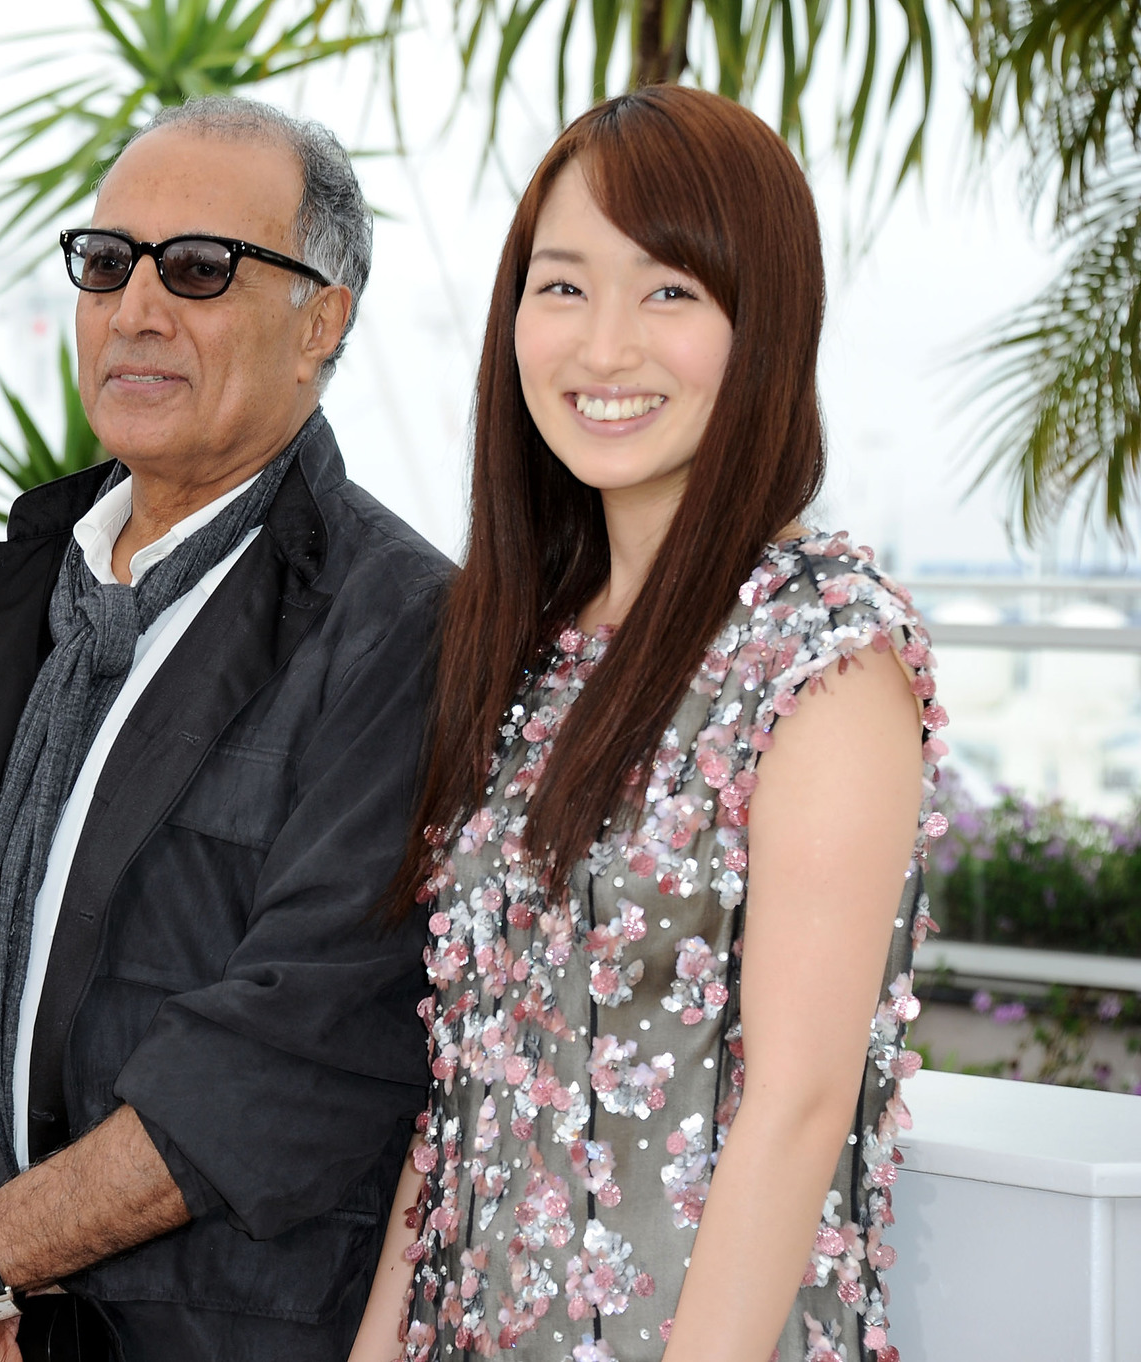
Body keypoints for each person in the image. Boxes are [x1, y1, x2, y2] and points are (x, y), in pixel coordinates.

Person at [0, 96, 452, 1362]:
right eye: (106, 263)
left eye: (199, 269)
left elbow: (296, 1047)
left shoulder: (400, 629)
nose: (136, 309)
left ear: (321, 320)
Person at [346, 86, 948, 1362]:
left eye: (668, 290)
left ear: (764, 322)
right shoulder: (522, 645)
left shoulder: (824, 657)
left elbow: (792, 1111)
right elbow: (468, 1079)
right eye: (560, 288)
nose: (602, 346)